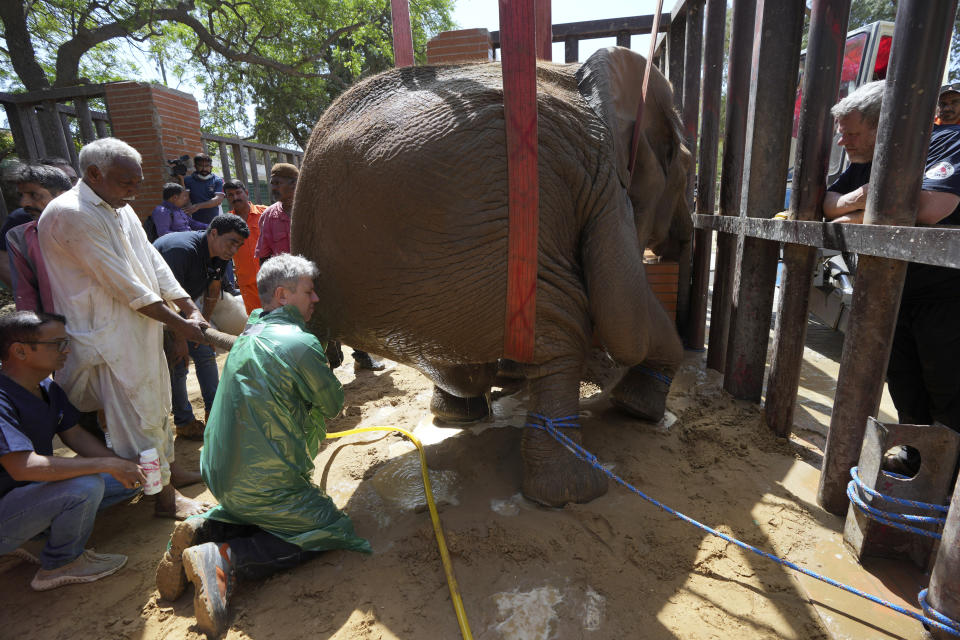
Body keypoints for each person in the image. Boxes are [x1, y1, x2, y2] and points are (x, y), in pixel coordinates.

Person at [155, 254, 370, 636]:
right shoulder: (300, 342)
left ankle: (204, 530)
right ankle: (226, 558)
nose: (316, 299)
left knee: (264, 509)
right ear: (284, 295)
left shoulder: (250, 332)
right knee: (330, 527)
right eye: (309, 291)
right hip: (262, 484)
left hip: (219, 476)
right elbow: (334, 404)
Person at [37, 137, 210, 520]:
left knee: (156, 406)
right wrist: (180, 323)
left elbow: (150, 259)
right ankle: (163, 499)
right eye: (126, 181)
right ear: (94, 174)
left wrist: (184, 304)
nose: (134, 189)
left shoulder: (120, 205)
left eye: (138, 180)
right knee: (136, 418)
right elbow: (123, 284)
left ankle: (168, 472)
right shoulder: (71, 213)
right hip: (105, 338)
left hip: (140, 329)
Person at [823, 81, 960, 442]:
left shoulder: (947, 141)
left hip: (946, 297)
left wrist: (855, 214)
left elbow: (931, 209)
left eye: (851, 133)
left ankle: (946, 480)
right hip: (895, 293)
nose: (842, 142)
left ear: (885, 125)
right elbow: (829, 203)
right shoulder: (870, 160)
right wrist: (863, 196)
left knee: (948, 392)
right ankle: (914, 458)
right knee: (904, 385)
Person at [0, 311, 144, 591]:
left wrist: (122, 464)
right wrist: (105, 465)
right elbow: (23, 466)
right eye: (57, 344)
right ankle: (60, 563)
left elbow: (75, 434)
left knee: (130, 479)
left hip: (27, 495)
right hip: (8, 505)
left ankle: (35, 536)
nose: (66, 350)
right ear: (19, 351)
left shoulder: (46, 387)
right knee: (85, 486)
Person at [153, 215, 248, 439]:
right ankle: (184, 421)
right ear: (213, 233)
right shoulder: (181, 250)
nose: (234, 249)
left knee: (205, 351)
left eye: (239, 245)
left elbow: (213, 290)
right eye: (231, 241)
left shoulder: (220, 253)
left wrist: (202, 326)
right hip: (158, 309)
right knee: (179, 362)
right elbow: (167, 298)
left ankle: (215, 413)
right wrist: (180, 339)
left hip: (187, 305)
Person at [0, 158, 77, 290]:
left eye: (73, 179)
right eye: (22, 195)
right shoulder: (24, 228)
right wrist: (33, 294)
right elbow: (4, 262)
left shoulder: (91, 220)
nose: (24, 203)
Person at [224, 180, 266, 314]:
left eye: (238, 193)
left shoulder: (265, 213)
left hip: (270, 277)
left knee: (279, 316)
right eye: (230, 195)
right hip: (246, 280)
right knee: (256, 319)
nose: (235, 197)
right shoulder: (226, 222)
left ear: (246, 193)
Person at [253, 163, 298, 265]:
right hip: (284, 279)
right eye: (272, 183)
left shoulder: (309, 211)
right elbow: (264, 257)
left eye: (277, 183)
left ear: (294, 184)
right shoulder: (268, 216)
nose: (273, 188)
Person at [183, 154, 225, 225]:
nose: (204, 169)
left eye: (207, 166)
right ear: (195, 166)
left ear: (211, 167)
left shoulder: (217, 180)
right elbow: (185, 199)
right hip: (195, 221)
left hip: (215, 220)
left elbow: (218, 200)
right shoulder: (188, 180)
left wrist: (198, 206)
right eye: (200, 166)